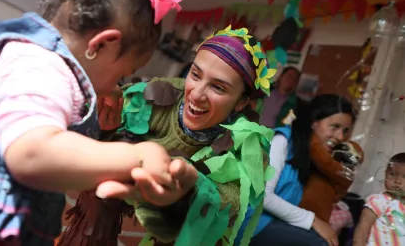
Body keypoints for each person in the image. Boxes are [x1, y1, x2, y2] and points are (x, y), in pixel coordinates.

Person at [0, 0, 185, 246]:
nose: (118, 85)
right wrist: (136, 156)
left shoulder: (26, 51)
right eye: (125, 73)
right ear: (101, 44)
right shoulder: (45, 69)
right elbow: (31, 153)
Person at [59, 26, 276, 246]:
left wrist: (186, 194)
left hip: (182, 212)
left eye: (218, 88)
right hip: (130, 181)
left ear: (241, 103)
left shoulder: (248, 146)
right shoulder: (158, 95)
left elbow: (227, 205)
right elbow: (93, 143)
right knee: (100, 188)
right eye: (195, 74)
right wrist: (106, 126)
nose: (197, 94)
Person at [238, 94, 356, 246]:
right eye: (334, 127)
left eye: (346, 131)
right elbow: (264, 197)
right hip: (252, 222)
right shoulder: (282, 141)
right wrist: (313, 220)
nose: (340, 136)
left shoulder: (317, 156)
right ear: (314, 122)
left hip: (277, 221)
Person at [353, 152, 405, 246]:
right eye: (392, 174)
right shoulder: (379, 200)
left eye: (404, 177)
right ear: (385, 174)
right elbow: (363, 228)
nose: (397, 181)